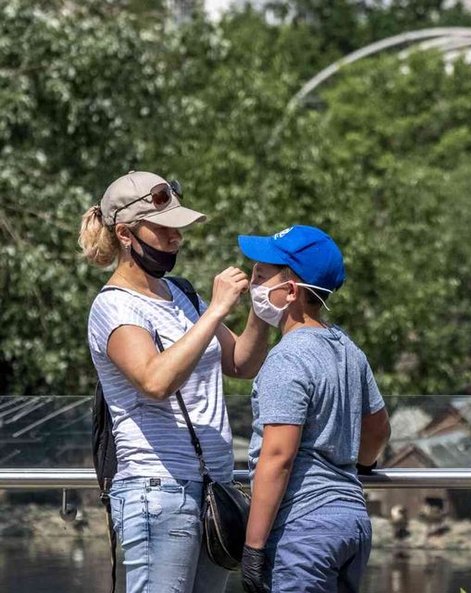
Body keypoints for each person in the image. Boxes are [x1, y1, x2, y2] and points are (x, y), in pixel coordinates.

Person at [79, 171, 270, 593]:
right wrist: (216, 311)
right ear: (126, 234)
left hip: (210, 489)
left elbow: (241, 362)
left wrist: (260, 308)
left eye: (178, 228)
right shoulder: (114, 306)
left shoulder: (180, 293)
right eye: (163, 229)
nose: (176, 238)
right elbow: (155, 380)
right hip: (157, 490)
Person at [237, 225, 391, 593]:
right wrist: (362, 464)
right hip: (351, 522)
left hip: (302, 529)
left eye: (260, 276)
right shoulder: (348, 350)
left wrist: (253, 548)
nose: (251, 286)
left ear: (290, 291)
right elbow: (378, 428)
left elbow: (278, 456)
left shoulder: (287, 359)